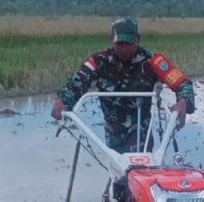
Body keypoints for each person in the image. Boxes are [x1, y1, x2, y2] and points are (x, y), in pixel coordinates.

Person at [51, 17, 195, 153]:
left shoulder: (153, 62)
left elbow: (183, 83)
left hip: (140, 132)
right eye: (120, 44)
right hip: (113, 134)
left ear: (138, 40)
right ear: (111, 41)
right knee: (117, 171)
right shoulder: (99, 61)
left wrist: (182, 103)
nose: (124, 48)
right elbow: (77, 83)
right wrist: (62, 101)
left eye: (129, 44)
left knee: (134, 165)